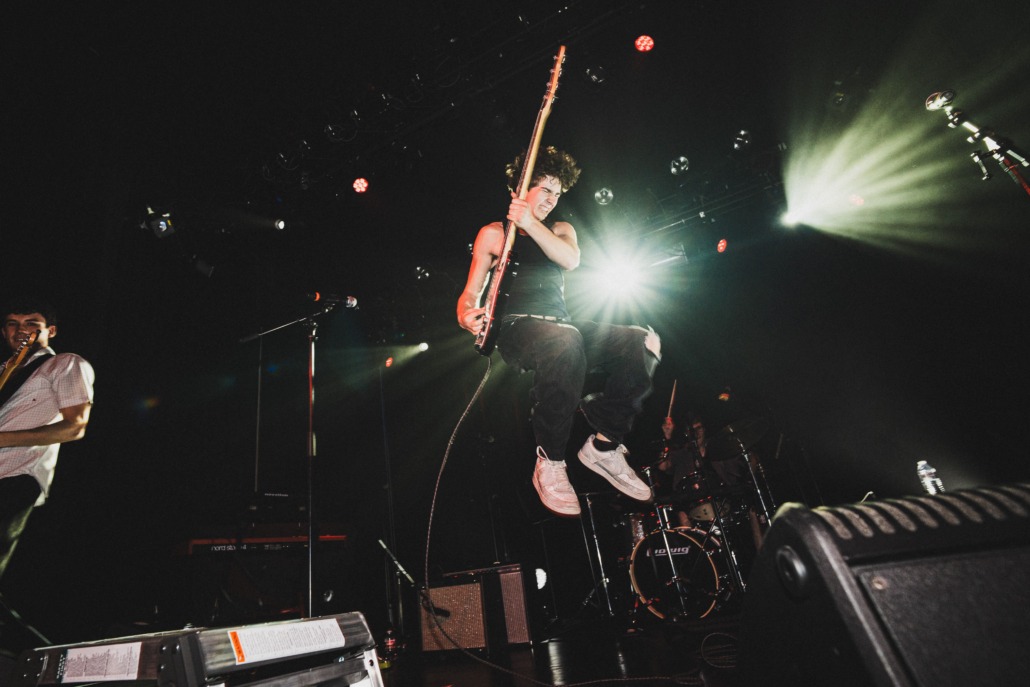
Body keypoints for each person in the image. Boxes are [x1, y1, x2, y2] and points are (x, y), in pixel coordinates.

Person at [457, 146, 661, 517]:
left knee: (643, 339)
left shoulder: (560, 229)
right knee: (564, 340)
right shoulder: (493, 234)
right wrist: (468, 314)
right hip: (518, 328)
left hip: (562, 327)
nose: (551, 200)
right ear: (521, 188)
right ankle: (550, 460)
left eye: (557, 193)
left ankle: (603, 446)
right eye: (545, 190)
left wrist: (530, 223)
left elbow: (570, 260)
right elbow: (470, 293)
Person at [0, 299, 95, 582]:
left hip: (15, 478)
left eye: (31, 323)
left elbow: (74, 428)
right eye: (13, 323)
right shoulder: (3, 371)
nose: (20, 329)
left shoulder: (64, 363)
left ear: (51, 330)